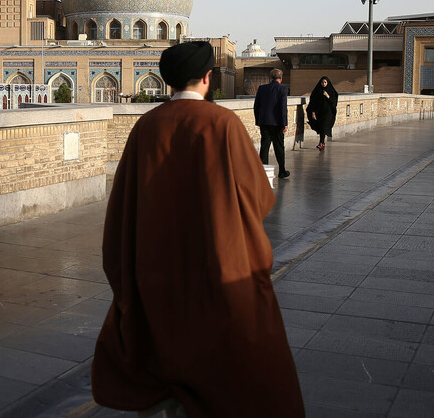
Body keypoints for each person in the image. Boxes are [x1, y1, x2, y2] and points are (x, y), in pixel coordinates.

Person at [92, 41, 304, 417]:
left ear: (168, 80)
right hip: (214, 269)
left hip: (157, 272)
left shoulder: (146, 127)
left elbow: (123, 206)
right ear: (208, 77)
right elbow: (259, 197)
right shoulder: (222, 124)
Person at [254, 68, 290, 178]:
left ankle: (262, 171)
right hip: (277, 123)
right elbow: (283, 107)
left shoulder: (262, 88)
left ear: (271, 78)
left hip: (264, 122)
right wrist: (285, 123)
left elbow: (256, 106)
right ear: (281, 78)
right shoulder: (283, 89)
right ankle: (282, 171)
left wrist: (258, 120)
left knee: (264, 147)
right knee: (279, 147)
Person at [307, 76, 339, 150]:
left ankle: (321, 143)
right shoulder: (317, 91)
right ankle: (322, 143)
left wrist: (328, 96)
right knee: (321, 127)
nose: (323, 84)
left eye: (325, 82)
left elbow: (334, 103)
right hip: (319, 113)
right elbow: (313, 102)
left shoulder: (331, 92)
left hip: (328, 113)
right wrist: (313, 112)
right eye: (322, 82)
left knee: (324, 127)